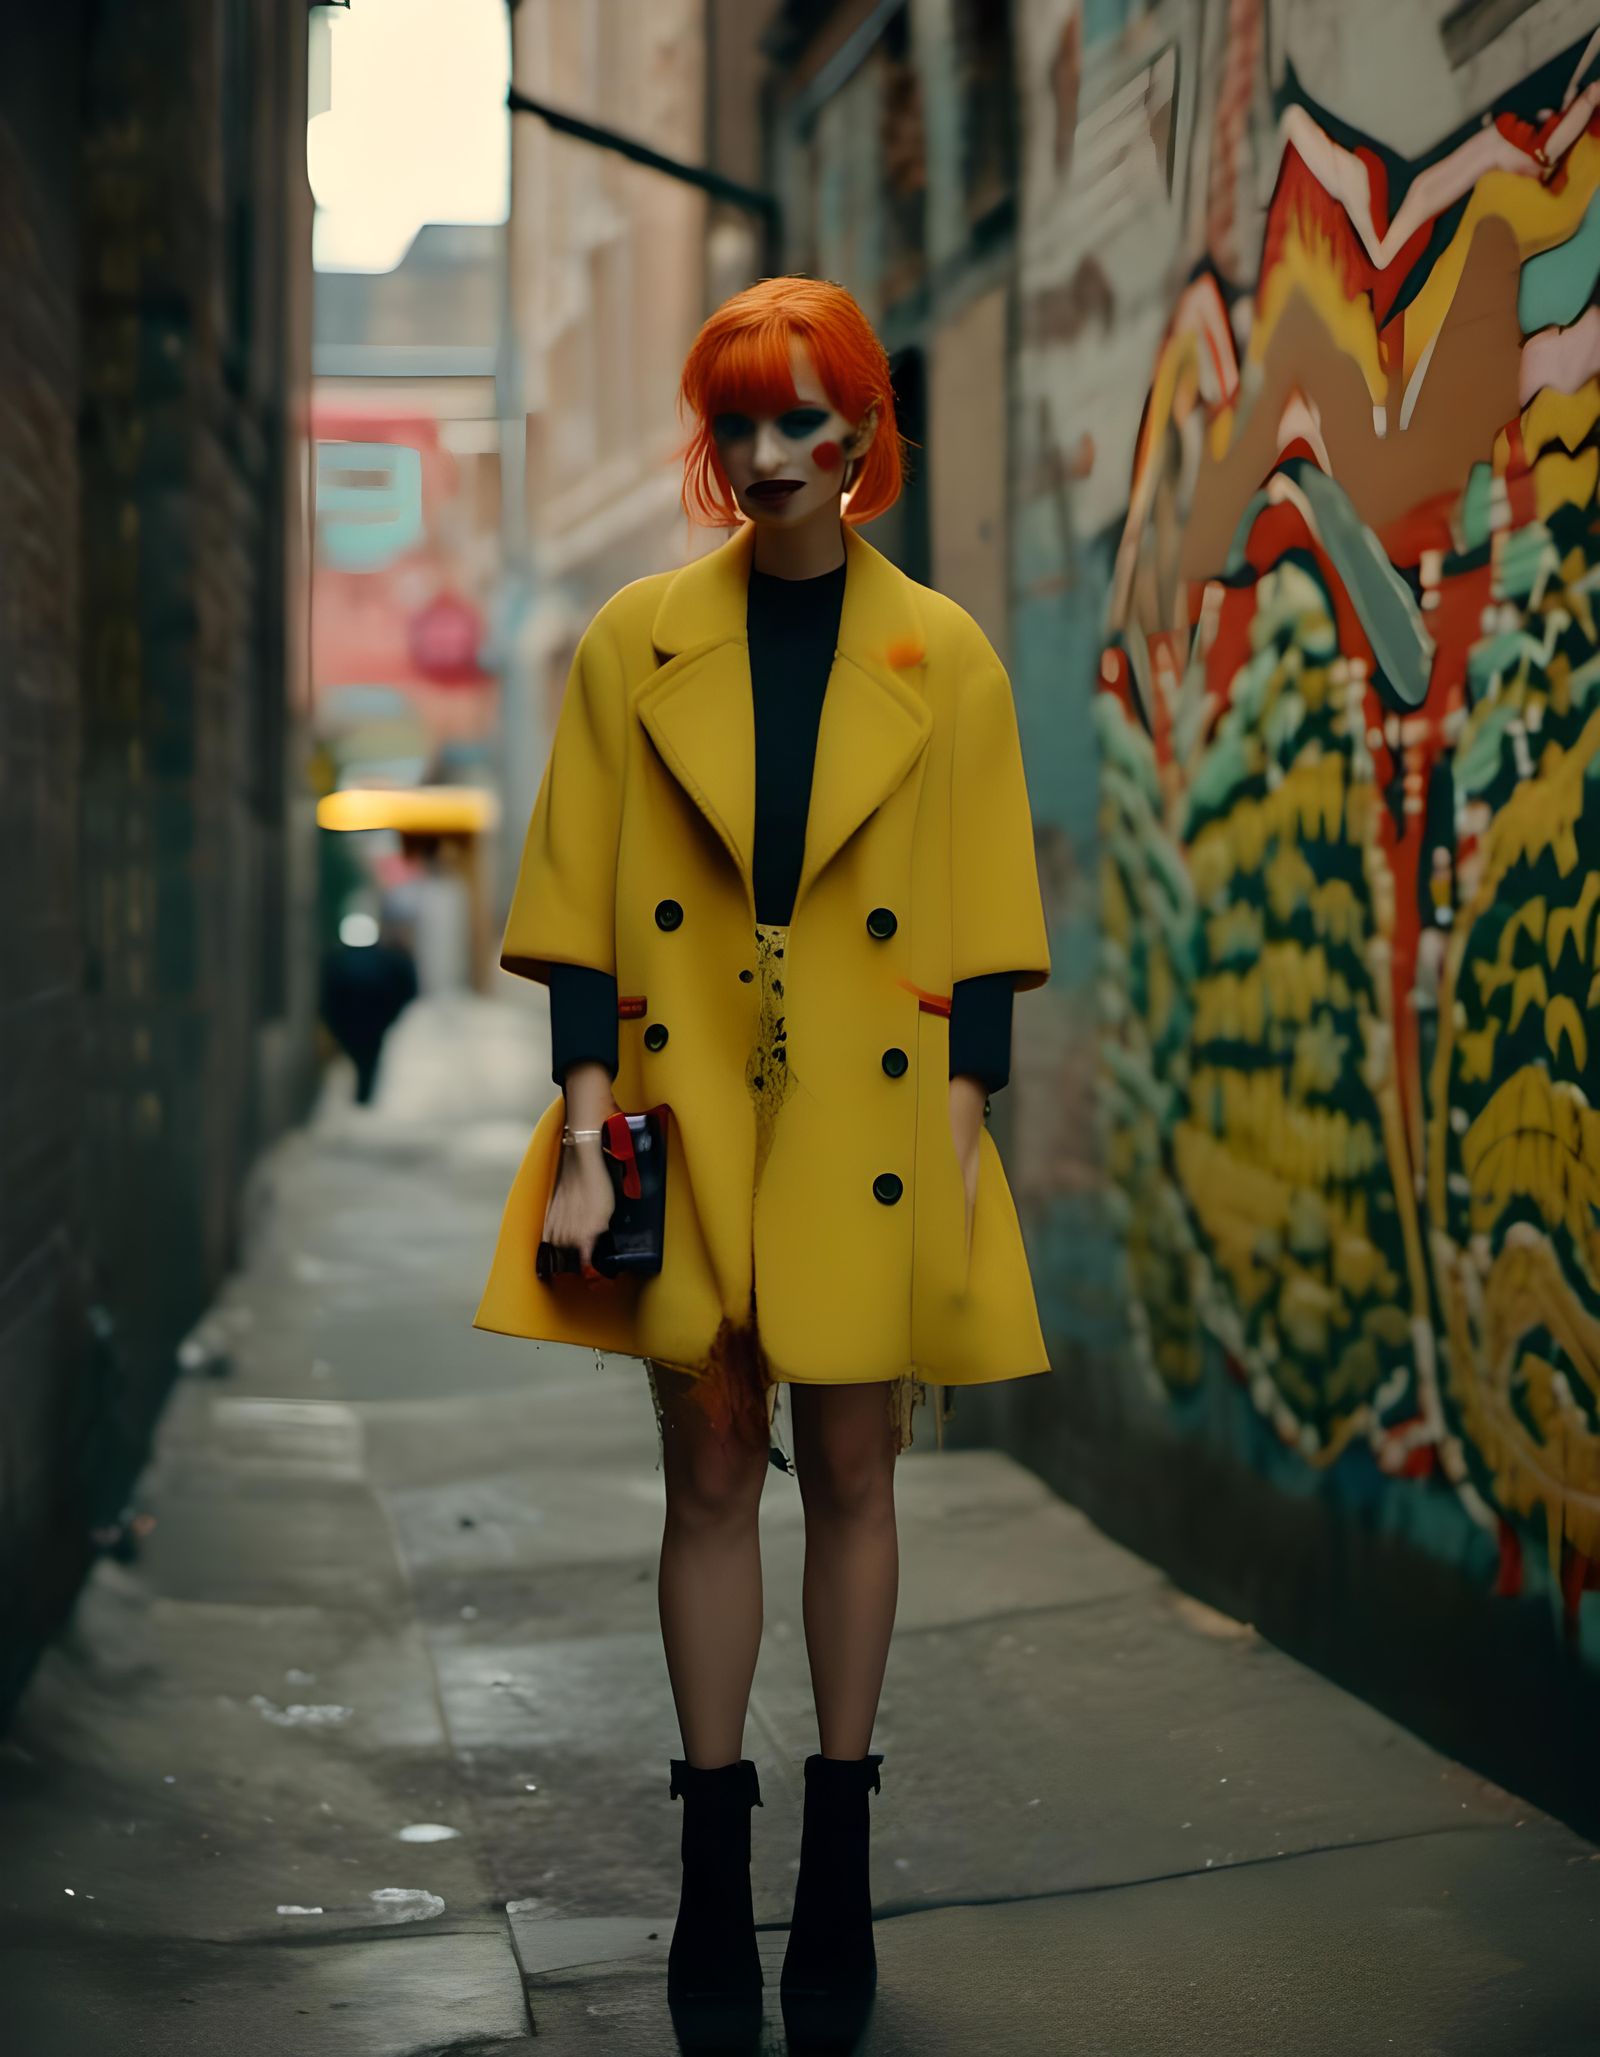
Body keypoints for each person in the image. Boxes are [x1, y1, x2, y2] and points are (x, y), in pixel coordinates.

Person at [475, 276, 1050, 2025]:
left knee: (860, 1477)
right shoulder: (631, 640)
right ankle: (711, 1879)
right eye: (740, 422)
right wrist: (586, 1138)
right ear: (711, 443)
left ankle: (840, 1873)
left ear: (870, 430)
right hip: (684, 1121)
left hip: (881, 1131)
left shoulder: (941, 652)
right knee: (714, 1480)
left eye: (809, 417)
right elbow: (578, 917)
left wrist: (957, 1141)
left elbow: (984, 937)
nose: (775, 452)